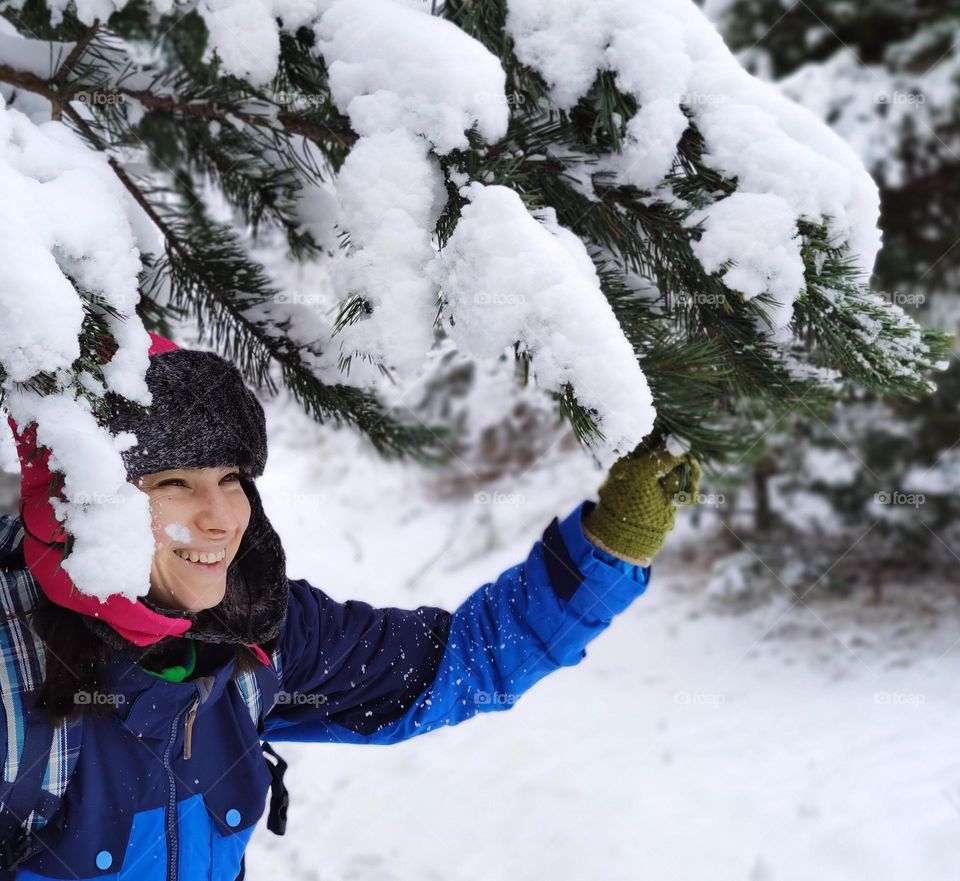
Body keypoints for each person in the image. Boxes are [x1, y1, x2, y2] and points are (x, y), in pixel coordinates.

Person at [0, 332, 700, 880]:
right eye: (175, 482)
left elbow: (454, 665)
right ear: (78, 503)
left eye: (232, 476)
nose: (220, 518)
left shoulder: (257, 634)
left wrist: (609, 548)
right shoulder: (13, 682)